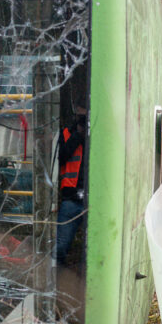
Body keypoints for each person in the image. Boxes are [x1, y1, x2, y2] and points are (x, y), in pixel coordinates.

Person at [56, 106, 87, 265]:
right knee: (60, 247)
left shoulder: (99, 133)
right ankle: (59, 279)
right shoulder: (67, 134)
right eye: (80, 116)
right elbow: (62, 157)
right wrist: (78, 135)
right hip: (71, 199)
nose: (82, 120)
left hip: (92, 201)